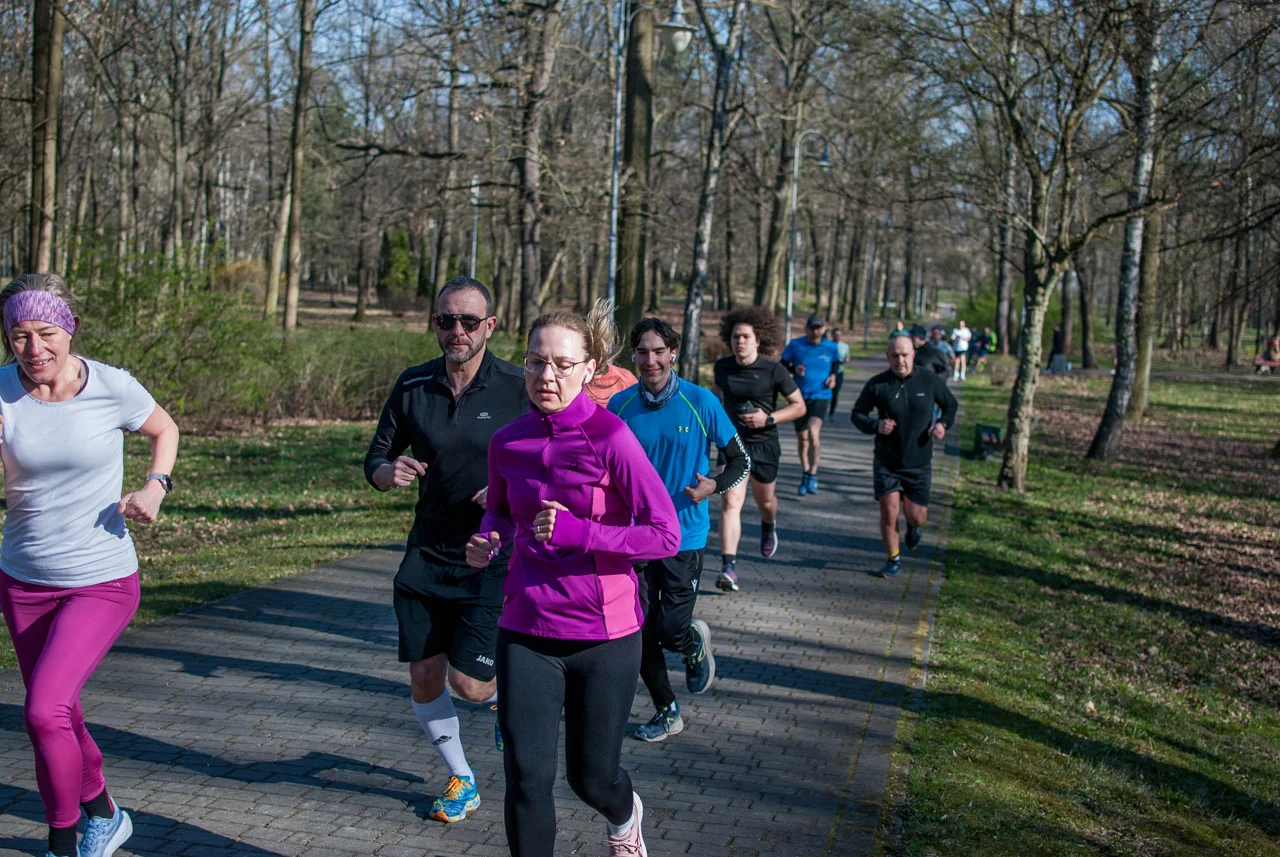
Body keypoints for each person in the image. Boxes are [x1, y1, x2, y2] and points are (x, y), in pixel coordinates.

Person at [466, 300, 680, 857]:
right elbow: (501, 515)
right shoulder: (507, 440)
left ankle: (625, 816)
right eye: (537, 362)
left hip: (604, 636)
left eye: (562, 365)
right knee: (526, 779)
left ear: (589, 369)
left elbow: (664, 534)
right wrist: (487, 540)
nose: (547, 376)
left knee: (592, 780)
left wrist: (581, 532)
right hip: (527, 629)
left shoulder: (611, 438)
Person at [0, 273, 180, 857]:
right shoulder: (1, 391)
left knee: (42, 710)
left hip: (100, 580)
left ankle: (62, 842)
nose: (34, 349)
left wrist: (155, 486)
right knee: (60, 712)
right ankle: (104, 813)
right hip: (22, 580)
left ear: (70, 329)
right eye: (19, 336)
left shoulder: (111, 386)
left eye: (46, 333)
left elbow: (165, 428)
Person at [365, 277, 528, 824]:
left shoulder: (518, 386)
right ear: (434, 323)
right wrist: (388, 472)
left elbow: (553, 459)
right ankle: (462, 778)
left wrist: (508, 488)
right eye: (445, 320)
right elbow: (376, 457)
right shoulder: (414, 384)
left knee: (471, 684)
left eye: (468, 321)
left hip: (492, 552)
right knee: (425, 675)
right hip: (427, 552)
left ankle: (507, 695)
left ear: (490, 326)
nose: (456, 330)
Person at [609, 318, 750, 742]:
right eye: (642, 352)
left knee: (669, 629)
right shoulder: (618, 406)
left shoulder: (700, 401)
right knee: (636, 629)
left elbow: (740, 460)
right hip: (634, 537)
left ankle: (691, 643)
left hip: (683, 536)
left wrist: (714, 486)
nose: (650, 360)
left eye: (658, 352)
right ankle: (666, 709)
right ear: (633, 356)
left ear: (673, 353)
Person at [712, 307, 805, 593]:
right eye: (735, 336)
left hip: (764, 444)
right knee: (730, 502)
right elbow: (715, 398)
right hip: (733, 444)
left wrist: (769, 419)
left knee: (765, 501)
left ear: (757, 340)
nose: (739, 341)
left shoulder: (774, 370)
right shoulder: (722, 367)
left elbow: (799, 406)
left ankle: (769, 523)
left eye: (745, 337)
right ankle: (728, 567)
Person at [851, 332, 958, 579]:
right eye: (895, 355)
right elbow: (857, 414)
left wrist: (942, 424)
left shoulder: (928, 380)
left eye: (905, 355)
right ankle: (893, 559)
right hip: (887, 460)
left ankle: (913, 527)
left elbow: (950, 405)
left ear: (913, 355)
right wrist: (876, 425)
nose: (900, 360)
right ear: (888, 357)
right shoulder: (878, 384)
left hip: (919, 461)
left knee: (917, 516)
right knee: (889, 512)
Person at [781, 314, 841, 496]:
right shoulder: (796, 345)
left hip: (821, 395)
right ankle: (806, 471)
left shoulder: (831, 347)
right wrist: (794, 369)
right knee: (803, 438)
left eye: (818, 328)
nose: (815, 332)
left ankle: (813, 474)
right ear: (807, 329)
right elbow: (782, 365)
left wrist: (833, 376)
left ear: (824, 329)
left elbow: (836, 364)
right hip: (799, 398)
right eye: (812, 328)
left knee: (813, 433)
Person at [830, 327, 851, 411]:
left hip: (839, 372)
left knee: (835, 392)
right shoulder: (829, 345)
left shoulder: (845, 346)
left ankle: (832, 410)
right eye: (836, 335)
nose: (837, 337)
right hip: (828, 372)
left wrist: (846, 360)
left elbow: (847, 357)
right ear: (832, 335)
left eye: (839, 335)